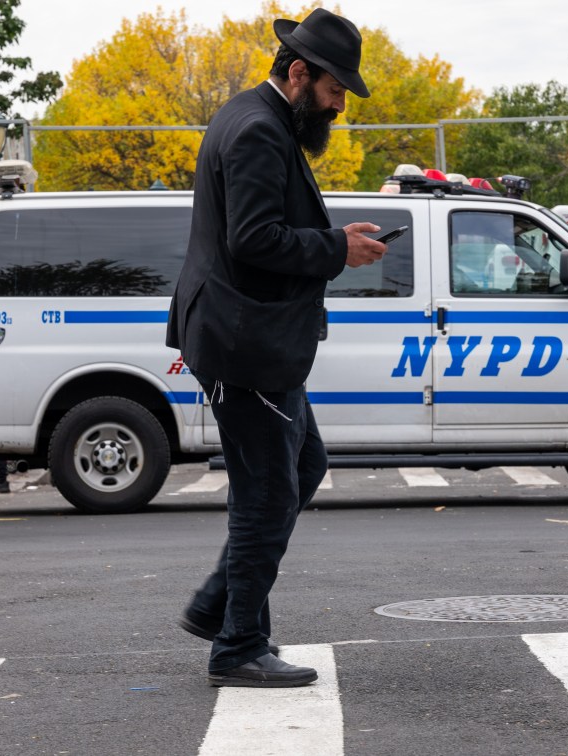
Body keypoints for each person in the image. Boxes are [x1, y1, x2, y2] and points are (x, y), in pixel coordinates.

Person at [165, 8, 387, 688]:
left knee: (303, 464)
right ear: (298, 73)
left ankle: (219, 603)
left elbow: (261, 225)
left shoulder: (253, 117)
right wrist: (336, 249)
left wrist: (330, 233)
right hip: (246, 341)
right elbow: (253, 240)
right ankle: (237, 645)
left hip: (251, 338)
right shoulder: (260, 131)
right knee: (266, 495)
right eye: (333, 91)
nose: (338, 105)